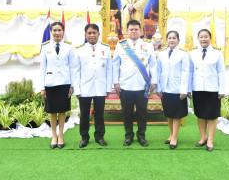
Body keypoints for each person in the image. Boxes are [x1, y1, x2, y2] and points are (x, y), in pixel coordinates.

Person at [112, 19, 157, 147]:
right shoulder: (121, 45)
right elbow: (115, 65)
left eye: (136, 29)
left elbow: (153, 65)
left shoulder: (148, 45)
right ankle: (128, 136)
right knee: (127, 113)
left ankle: (142, 136)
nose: (134, 31)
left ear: (141, 31)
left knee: (142, 113)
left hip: (143, 85)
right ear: (127, 31)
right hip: (126, 85)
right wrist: (115, 82)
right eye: (131, 29)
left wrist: (154, 81)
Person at [73, 24, 112, 148]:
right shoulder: (79, 50)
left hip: (100, 87)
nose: (92, 35)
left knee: (99, 113)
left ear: (99, 34)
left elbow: (109, 70)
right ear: (85, 35)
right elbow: (76, 71)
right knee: (84, 114)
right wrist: (77, 89)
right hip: (85, 87)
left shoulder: (105, 49)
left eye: (94, 33)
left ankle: (99, 136)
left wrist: (108, 88)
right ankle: (84, 137)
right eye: (89, 33)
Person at [189, 29, 225, 152]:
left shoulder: (217, 53)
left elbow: (221, 72)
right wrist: (189, 88)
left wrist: (222, 89)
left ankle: (210, 139)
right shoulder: (192, 53)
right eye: (201, 37)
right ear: (198, 39)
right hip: (198, 88)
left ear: (210, 38)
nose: (203, 39)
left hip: (212, 89)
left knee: (212, 115)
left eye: (206, 37)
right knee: (200, 114)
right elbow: (190, 72)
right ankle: (203, 137)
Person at [40, 22, 74, 149]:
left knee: (62, 110)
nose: (57, 32)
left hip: (65, 82)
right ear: (51, 31)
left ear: (63, 32)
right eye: (54, 30)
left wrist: (72, 85)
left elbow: (72, 67)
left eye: (59, 30)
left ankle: (61, 135)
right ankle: (53, 135)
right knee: (52, 111)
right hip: (51, 83)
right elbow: (42, 68)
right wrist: (42, 87)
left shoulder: (69, 47)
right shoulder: (45, 47)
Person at [156, 31, 189, 149]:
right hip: (165, 88)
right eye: (169, 38)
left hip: (177, 88)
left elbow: (186, 73)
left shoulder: (183, 54)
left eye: (174, 38)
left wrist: (184, 90)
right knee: (169, 113)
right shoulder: (162, 54)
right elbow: (158, 71)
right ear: (166, 40)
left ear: (178, 40)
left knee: (177, 114)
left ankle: (174, 137)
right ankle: (171, 134)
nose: (171, 40)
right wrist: (158, 88)